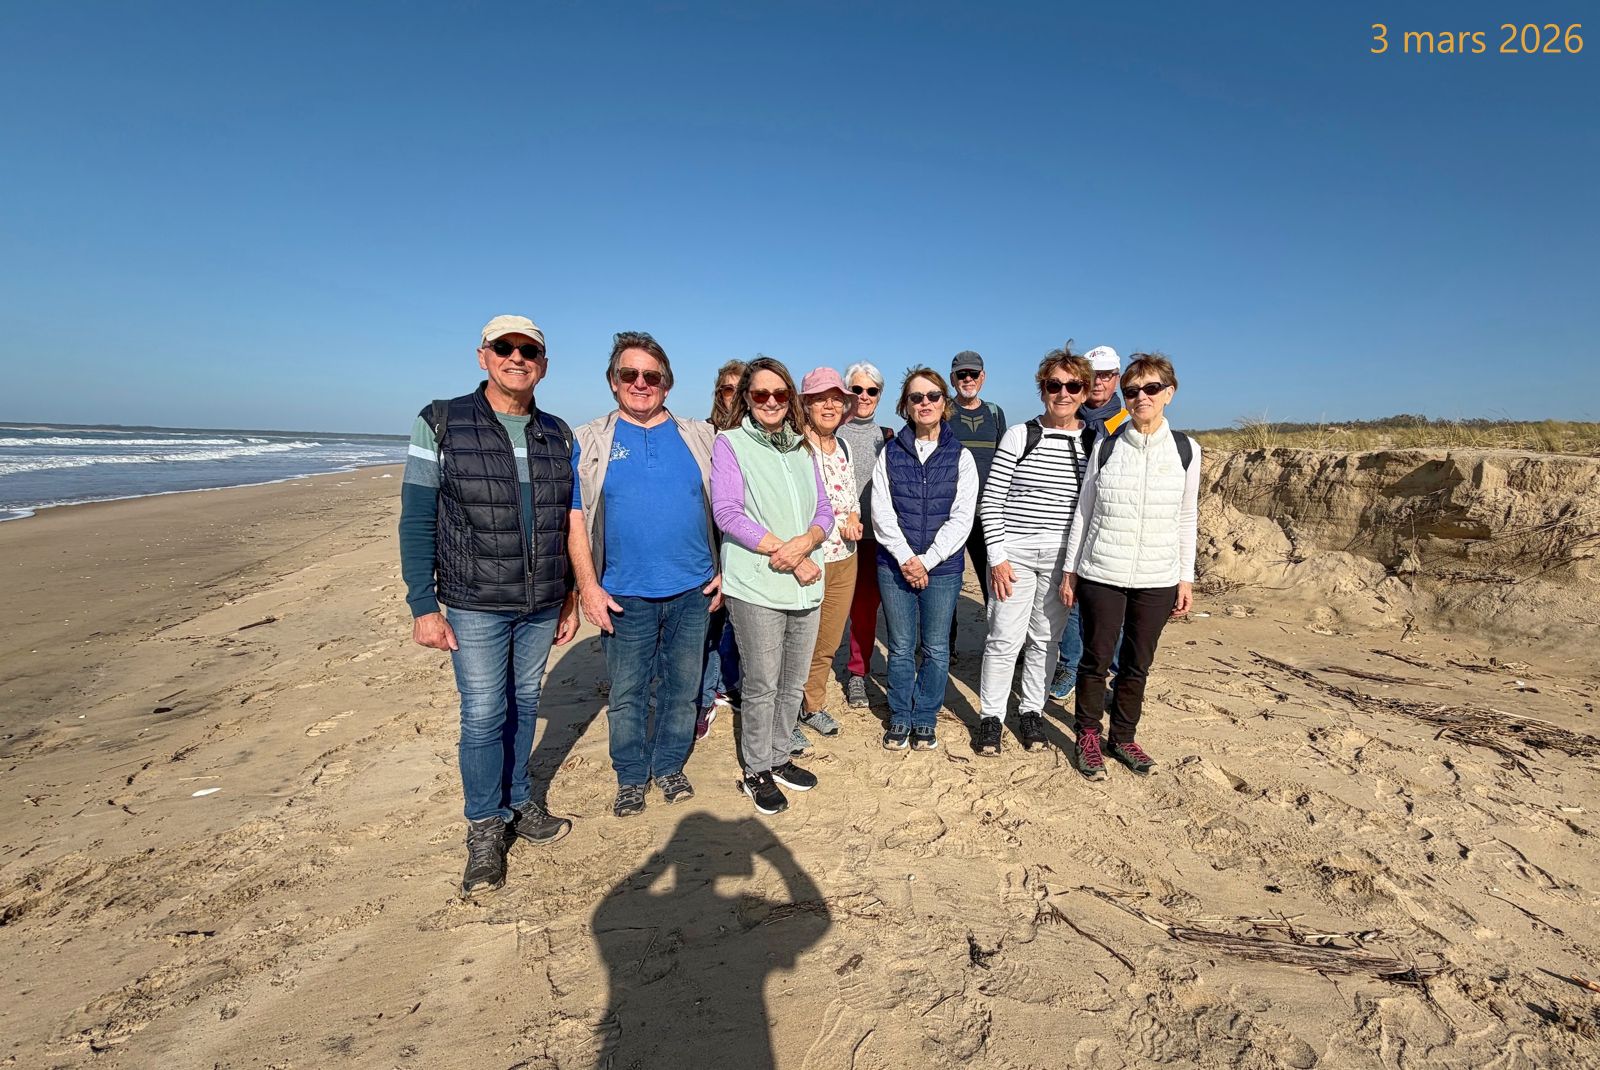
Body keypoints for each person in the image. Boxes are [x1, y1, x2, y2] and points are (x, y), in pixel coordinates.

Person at [399, 314, 581, 897]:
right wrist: (423, 605)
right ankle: (484, 825)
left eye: (529, 350)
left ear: (543, 364)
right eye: (504, 347)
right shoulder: (441, 422)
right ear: (483, 356)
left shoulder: (558, 433)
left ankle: (519, 802)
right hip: (474, 600)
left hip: (541, 600)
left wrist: (570, 594)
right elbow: (417, 518)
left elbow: (565, 523)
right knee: (482, 712)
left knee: (523, 702)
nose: (516, 357)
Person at [571, 332, 721, 818]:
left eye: (651, 376)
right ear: (613, 382)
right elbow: (574, 518)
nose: (641, 383)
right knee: (627, 693)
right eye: (629, 374)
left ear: (667, 384)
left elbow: (731, 505)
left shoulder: (701, 436)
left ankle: (670, 765)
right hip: (623, 594)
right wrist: (587, 587)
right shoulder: (588, 440)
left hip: (693, 590)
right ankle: (632, 776)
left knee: (683, 689)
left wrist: (725, 569)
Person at [1061, 353, 1200, 780]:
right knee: (1095, 660)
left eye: (1151, 388)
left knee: (1137, 664)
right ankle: (1088, 735)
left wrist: (1185, 578)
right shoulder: (1106, 446)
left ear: (1169, 393)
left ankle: (1122, 737)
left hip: (1157, 577)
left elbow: (1187, 517)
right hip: (1103, 570)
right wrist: (1071, 570)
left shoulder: (1186, 450)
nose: (1141, 397)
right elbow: (1084, 511)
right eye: (1133, 391)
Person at [711, 356, 834, 815]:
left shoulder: (802, 446)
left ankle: (780, 756)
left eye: (779, 393)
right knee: (762, 682)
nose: (771, 401)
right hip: (758, 585)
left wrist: (807, 543)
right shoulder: (731, 443)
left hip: (806, 584)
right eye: (760, 393)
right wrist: (786, 553)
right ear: (747, 397)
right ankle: (756, 769)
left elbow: (825, 510)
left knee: (793, 679)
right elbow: (727, 512)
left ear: (790, 398)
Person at [975, 346, 1096, 756]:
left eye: (1073, 386)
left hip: (1062, 560)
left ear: (1084, 392)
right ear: (1042, 389)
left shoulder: (1093, 442)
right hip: (1015, 557)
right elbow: (991, 501)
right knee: (1003, 639)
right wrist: (997, 558)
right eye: (1054, 385)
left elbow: (1091, 509)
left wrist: (1074, 568)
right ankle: (991, 717)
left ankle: (1031, 711)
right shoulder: (1020, 435)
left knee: (1046, 641)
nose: (1063, 393)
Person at [873, 367, 977, 751]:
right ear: (906, 405)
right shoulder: (890, 453)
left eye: (933, 395)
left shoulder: (961, 456)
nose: (925, 403)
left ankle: (925, 716)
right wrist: (906, 558)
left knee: (935, 647)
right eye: (916, 397)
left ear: (944, 402)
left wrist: (927, 561)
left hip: (943, 568)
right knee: (901, 646)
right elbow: (882, 512)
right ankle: (901, 713)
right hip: (895, 565)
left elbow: (962, 517)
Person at [1050, 344, 1129, 702]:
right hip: (1070, 522)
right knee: (1070, 598)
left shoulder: (1128, 421)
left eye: (1107, 375)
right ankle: (1071, 663)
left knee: (1113, 605)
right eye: (1092, 376)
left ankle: (1115, 673)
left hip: (1112, 525)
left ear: (1117, 378)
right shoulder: (1068, 417)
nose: (1099, 382)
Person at [796, 368, 863, 740]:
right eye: (820, 398)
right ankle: (785, 715)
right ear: (806, 404)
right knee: (797, 641)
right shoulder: (794, 446)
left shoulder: (844, 447)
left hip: (845, 558)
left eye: (836, 398)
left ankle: (812, 706)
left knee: (827, 641)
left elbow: (850, 498)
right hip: (808, 559)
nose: (829, 405)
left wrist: (853, 518)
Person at [697, 359, 748, 741]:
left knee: (738, 624)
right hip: (708, 543)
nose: (735, 397)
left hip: (746, 545)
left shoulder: (759, 437)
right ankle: (703, 699)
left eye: (742, 389)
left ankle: (727, 684)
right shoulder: (703, 435)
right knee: (709, 625)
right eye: (728, 389)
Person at [837, 362, 891, 709]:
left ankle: (858, 672)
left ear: (880, 395)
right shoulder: (832, 431)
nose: (864, 396)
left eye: (872, 390)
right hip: (834, 536)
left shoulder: (888, 437)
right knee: (824, 609)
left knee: (865, 609)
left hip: (873, 538)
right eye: (857, 389)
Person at [948, 350, 1005, 652]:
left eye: (973, 374)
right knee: (947, 582)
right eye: (962, 374)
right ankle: (945, 645)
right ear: (952, 379)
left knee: (994, 580)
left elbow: (1007, 462)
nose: (967, 379)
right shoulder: (942, 411)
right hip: (951, 514)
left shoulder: (995, 413)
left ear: (983, 377)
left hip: (988, 513)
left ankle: (1002, 642)